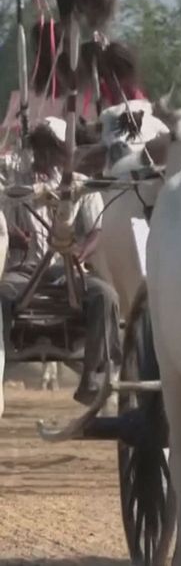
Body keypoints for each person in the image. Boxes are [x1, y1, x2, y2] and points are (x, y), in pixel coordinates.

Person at [0, 117, 119, 405]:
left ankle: (93, 377)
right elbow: (3, 223)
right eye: (39, 148)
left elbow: (96, 230)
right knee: (0, 296)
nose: (43, 155)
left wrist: (79, 253)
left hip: (66, 271)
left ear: (62, 152)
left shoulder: (79, 183)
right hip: (22, 270)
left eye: (50, 148)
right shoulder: (15, 183)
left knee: (106, 295)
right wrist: (15, 237)